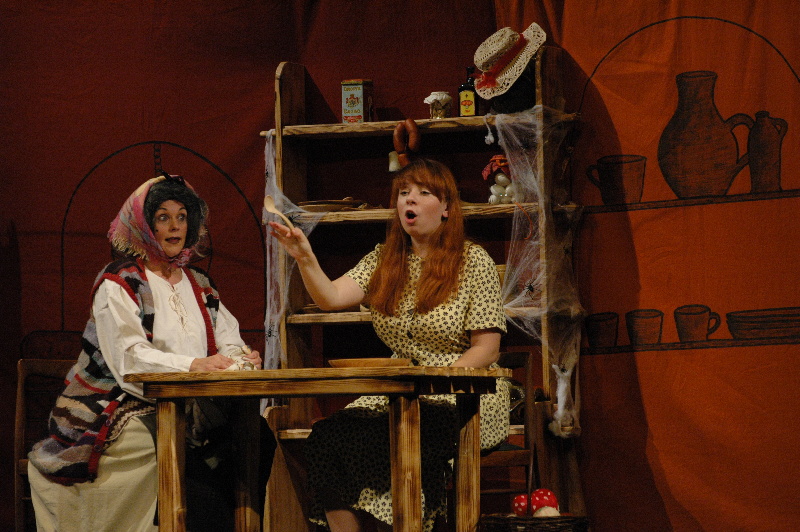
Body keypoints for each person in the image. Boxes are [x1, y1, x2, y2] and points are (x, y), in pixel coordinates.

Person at [268, 158, 509, 532]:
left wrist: (435, 380)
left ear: (446, 208)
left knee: (394, 439)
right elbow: (331, 297)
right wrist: (304, 257)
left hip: (464, 395)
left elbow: (487, 349)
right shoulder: (384, 259)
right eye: (404, 193)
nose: (409, 200)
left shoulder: (473, 261)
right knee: (328, 437)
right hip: (397, 392)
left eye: (423, 193)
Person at [28, 173, 275, 532]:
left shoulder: (199, 283)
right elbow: (129, 358)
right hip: (122, 400)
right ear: (143, 226)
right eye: (163, 217)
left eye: (181, 217)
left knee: (258, 436)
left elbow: (227, 338)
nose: (175, 226)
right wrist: (193, 365)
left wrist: (240, 358)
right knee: (173, 451)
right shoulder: (120, 282)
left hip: (193, 401)